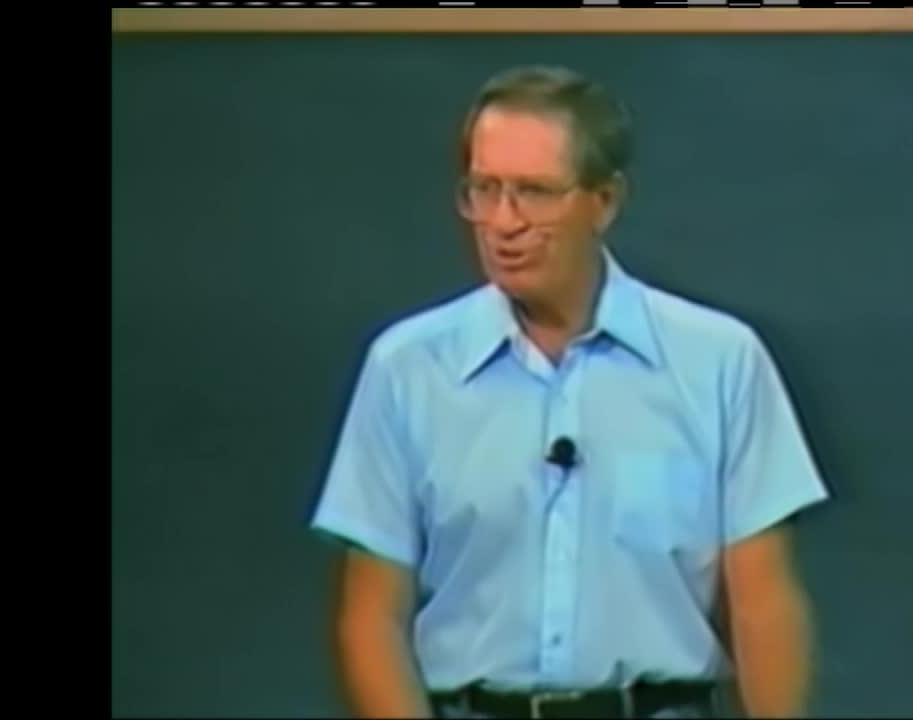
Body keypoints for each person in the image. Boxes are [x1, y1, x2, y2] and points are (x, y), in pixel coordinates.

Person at [309, 64, 830, 719]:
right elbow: (370, 619)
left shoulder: (719, 362)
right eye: (483, 189)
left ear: (604, 200)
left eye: (534, 192)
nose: (503, 221)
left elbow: (762, 604)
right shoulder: (406, 369)